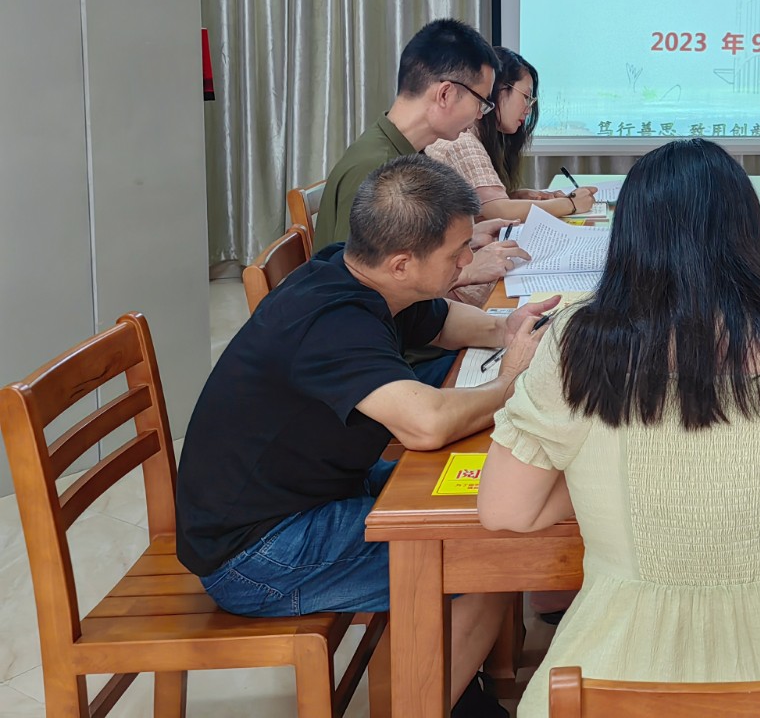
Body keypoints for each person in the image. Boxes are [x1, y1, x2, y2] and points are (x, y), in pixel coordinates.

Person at [477, 138, 760, 718]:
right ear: (749, 233)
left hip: (606, 683)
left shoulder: (577, 341)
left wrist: (599, 480)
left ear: (630, 237)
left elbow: (504, 509)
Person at [177, 156, 559, 717]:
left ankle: (448, 686)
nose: (469, 260)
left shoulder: (353, 272)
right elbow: (426, 425)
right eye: (456, 252)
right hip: (258, 552)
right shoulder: (332, 322)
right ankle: (426, 700)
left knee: (487, 501)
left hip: (314, 494)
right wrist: (509, 380)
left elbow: (445, 322)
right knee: (490, 550)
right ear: (403, 263)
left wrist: (511, 327)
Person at [314, 18, 532, 376]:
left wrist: (469, 237)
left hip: (414, 338)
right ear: (445, 94)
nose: (482, 114)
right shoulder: (378, 171)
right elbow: (360, 297)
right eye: (481, 102)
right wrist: (464, 271)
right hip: (397, 361)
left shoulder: (404, 153)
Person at [426, 47, 598, 222]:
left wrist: (515, 196)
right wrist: (571, 204)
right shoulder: (463, 139)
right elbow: (498, 210)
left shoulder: (474, 134)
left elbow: (483, 209)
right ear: (498, 89)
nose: (528, 109)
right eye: (526, 97)